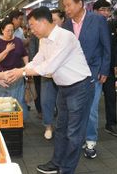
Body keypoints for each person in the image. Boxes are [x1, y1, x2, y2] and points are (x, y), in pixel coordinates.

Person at [8, 7, 94, 174]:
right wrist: (20, 71)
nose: (31, 30)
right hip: (64, 88)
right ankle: (57, 162)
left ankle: (66, 169)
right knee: (61, 129)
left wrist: (22, 72)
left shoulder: (65, 37)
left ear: (44, 22)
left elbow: (49, 67)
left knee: (73, 133)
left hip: (80, 87)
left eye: (32, 25)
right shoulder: (43, 40)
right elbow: (37, 60)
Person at [62, 0, 111, 159]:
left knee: (90, 108)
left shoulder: (97, 20)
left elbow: (106, 46)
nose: (66, 9)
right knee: (75, 109)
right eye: (64, 6)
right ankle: (78, 138)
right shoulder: (66, 24)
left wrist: (105, 69)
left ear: (80, 4)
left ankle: (91, 140)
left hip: (94, 72)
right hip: (73, 74)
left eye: (69, 5)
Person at [92, 0, 117, 137]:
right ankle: (88, 130)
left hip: (109, 69)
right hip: (93, 70)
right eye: (102, 10)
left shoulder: (110, 26)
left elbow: (115, 47)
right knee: (91, 101)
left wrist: (116, 66)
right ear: (94, 11)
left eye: (107, 10)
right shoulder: (89, 26)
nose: (105, 13)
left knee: (111, 97)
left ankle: (111, 124)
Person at [0, 18, 29, 120]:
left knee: (18, 100)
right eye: (8, 30)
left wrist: (27, 67)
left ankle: (19, 121)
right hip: (3, 76)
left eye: (12, 30)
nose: (10, 33)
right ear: (2, 30)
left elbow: (24, 54)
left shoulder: (18, 41)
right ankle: (4, 120)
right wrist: (7, 50)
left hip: (17, 75)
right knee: (2, 101)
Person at [40, 9, 65, 140]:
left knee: (62, 104)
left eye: (54, 20)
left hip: (63, 76)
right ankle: (48, 126)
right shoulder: (43, 37)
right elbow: (39, 56)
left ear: (62, 20)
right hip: (47, 75)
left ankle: (61, 128)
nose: (52, 23)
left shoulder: (67, 36)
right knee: (46, 101)